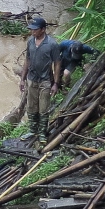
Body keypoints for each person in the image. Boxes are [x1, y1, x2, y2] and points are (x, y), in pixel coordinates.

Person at [19, 16, 60, 144]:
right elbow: (27, 60)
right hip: (32, 79)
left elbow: (57, 64)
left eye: (35, 30)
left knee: (43, 107)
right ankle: (32, 130)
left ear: (43, 29)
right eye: (31, 30)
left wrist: (56, 83)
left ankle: (42, 133)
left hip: (45, 80)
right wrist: (22, 79)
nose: (32, 32)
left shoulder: (52, 44)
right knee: (31, 106)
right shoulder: (30, 41)